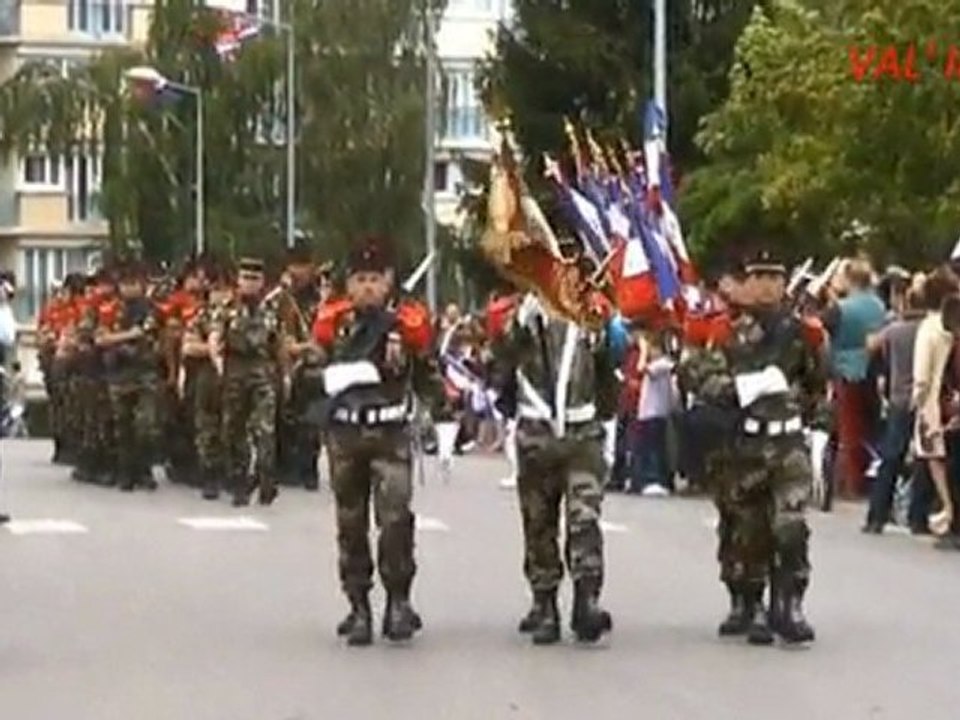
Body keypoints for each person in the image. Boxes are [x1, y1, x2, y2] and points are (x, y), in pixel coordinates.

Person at [311, 237, 449, 646]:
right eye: (360, 279)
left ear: (388, 282)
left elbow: (428, 374)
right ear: (348, 284)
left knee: (395, 522)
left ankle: (399, 601)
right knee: (350, 525)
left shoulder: (406, 324)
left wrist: (441, 413)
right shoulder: (334, 324)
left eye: (375, 279)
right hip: (345, 435)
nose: (367, 287)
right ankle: (357, 606)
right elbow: (310, 375)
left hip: (390, 436)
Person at [488, 285, 618, 646]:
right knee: (539, 521)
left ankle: (586, 599)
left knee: (585, 518)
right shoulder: (521, 313)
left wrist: (604, 335)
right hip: (536, 433)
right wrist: (519, 325)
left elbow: (613, 364)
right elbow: (498, 362)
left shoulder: (595, 313)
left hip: (582, 433)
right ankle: (544, 603)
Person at [715, 252, 826, 645]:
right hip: (744, 444)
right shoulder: (726, 331)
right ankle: (751, 601)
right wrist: (747, 387)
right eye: (758, 275)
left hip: (787, 442)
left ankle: (790, 604)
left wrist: (800, 410)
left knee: (791, 526)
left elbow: (817, 381)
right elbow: (700, 378)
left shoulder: (800, 332)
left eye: (774, 277)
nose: (766, 285)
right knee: (748, 533)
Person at [208, 257, 284, 507]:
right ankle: (240, 481)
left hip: (261, 371)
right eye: (245, 278)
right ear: (238, 281)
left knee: (265, 429)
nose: (250, 284)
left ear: (262, 282)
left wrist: (285, 373)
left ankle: (265, 478)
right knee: (233, 429)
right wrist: (219, 364)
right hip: (235, 371)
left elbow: (279, 342)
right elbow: (215, 336)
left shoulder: (272, 307)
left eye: (255, 279)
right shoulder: (226, 306)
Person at [822, 258, 887, 498]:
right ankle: (867, 479)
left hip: (844, 370)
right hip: (873, 370)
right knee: (868, 429)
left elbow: (823, 334)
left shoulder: (840, 308)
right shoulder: (879, 306)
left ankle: (849, 483)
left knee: (848, 428)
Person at [863, 288, 924, 533]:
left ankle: (876, 515)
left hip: (899, 398)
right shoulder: (929, 329)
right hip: (922, 399)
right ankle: (917, 516)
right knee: (924, 458)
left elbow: (871, 345)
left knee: (891, 457)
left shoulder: (895, 329)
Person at [96, 262, 161, 492]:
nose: (128, 288)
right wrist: (122, 339)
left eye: (133, 283)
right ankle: (126, 472)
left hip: (144, 373)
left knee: (145, 424)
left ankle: (144, 469)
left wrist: (116, 338)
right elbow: (100, 338)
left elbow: (143, 331)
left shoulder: (150, 308)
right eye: (124, 284)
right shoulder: (111, 309)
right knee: (122, 425)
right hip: (119, 373)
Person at [911, 267, 960, 535]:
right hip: (952, 399)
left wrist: (917, 398)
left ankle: (947, 510)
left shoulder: (929, 328)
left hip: (932, 403)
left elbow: (921, 373)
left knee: (933, 458)